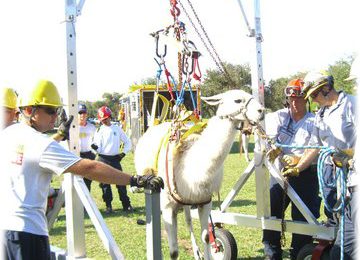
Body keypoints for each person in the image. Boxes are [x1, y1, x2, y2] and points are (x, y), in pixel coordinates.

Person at [0, 79, 163, 260]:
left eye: (58, 110)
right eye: (50, 110)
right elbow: (90, 167)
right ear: (30, 111)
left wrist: (60, 135)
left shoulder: (7, 135)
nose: (56, 116)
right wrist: (134, 179)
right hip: (28, 235)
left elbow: (32, 155)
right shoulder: (41, 144)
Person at [282, 70, 356, 259]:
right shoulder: (320, 115)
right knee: (334, 212)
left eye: (314, 94)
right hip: (331, 172)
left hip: (352, 173)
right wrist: (299, 167)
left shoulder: (352, 105)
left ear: (327, 87)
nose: (313, 100)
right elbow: (313, 147)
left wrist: (349, 155)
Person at [263, 79, 321, 260]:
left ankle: (299, 253)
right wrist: (273, 149)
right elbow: (267, 136)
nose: (295, 103)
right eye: (291, 99)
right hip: (279, 174)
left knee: (303, 220)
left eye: (299, 98)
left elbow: (316, 149)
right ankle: (272, 253)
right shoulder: (279, 117)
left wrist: (298, 162)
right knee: (272, 215)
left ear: (307, 99)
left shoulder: (315, 121)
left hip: (305, 176)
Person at [92, 105, 134, 214]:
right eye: (102, 120)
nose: (104, 121)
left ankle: (126, 204)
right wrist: (95, 147)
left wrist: (123, 153)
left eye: (106, 119)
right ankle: (108, 206)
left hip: (115, 159)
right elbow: (98, 147)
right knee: (105, 184)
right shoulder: (99, 130)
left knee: (121, 182)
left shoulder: (117, 128)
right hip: (103, 158)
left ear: (110, 117)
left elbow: (127, 142)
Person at [78, 103, 97, 191]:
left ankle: (86, 202)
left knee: (88, 179)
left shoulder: (91, 127)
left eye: (84, 113)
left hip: (89, 154)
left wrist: (94, 153)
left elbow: (96, 141)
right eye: (80, 113)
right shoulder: (73, 127)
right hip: (78, 155)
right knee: (78, 179)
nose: (82, 115)